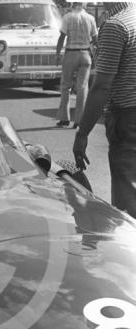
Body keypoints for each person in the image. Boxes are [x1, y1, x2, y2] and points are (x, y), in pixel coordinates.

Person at [73, 2, 136, 218]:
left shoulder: (116, 25)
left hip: (128, 117)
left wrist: (82, 133)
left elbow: (102, 86)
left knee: (128, 200)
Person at [56, 2, 98, 128]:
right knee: (82, 87)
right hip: (85, 54)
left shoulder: (68, 17)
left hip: (70, 53)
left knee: (65, 86)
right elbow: (95, 39)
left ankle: (64, 118)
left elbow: (62, 36)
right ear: (83, 5)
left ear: (73, 5)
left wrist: (57, 53)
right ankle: (79, 120)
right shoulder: (90, 18)